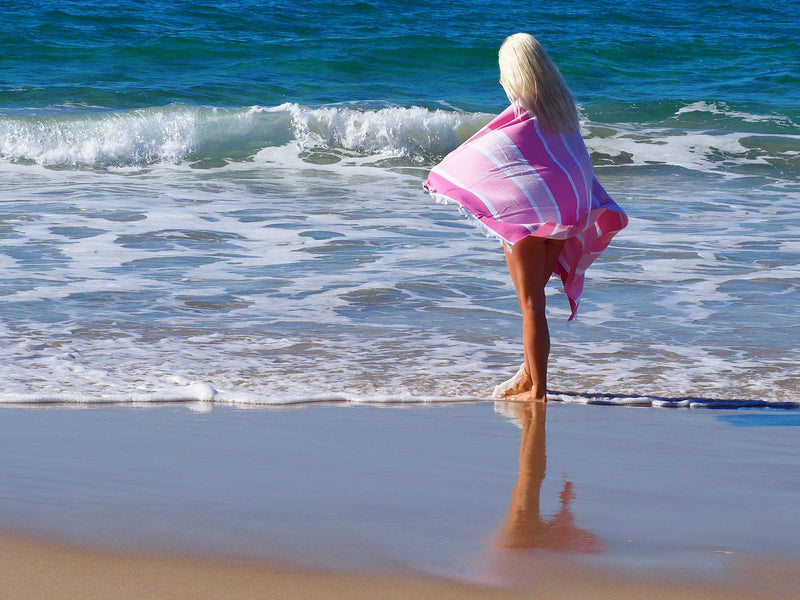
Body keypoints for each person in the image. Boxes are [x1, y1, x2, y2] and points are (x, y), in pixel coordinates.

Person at [424, 33, 627, 402]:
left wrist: (445, 172)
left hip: (533, 215)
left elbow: (492, 149)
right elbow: (568, 161)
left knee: (531, 301)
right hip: (567, 210)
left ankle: (538, 390)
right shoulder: (563, 111)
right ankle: (529, 376)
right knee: (536, 299)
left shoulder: (521, 114)